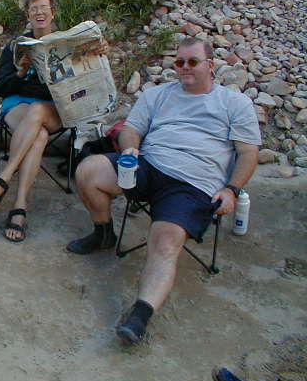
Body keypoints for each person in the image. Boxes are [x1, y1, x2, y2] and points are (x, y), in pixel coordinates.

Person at [68, 37, 261, 344]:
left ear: (211, 65)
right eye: (179, 62)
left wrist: (232, 190)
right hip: (148, 166)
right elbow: (131, 129)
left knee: (165, 241)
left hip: (194, 185)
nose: (184, 68)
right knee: (88, 170)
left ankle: (139, 315)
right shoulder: (158, 94)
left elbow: (248, 153)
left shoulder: (234, 104)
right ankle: (103, 232)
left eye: (192, 62)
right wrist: (130, 149)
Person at [0, 0, 63, 243]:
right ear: (28, 15)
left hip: (53, 108)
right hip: (18, 103)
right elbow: (1, 88)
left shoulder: (65, 43)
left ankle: (4, 177)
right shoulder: (16, 46)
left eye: (44, 7)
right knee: (38, 136)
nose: (39, 12)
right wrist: (20, 72)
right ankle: (20, 207)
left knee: (38, 110)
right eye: (33, 9)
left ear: (53, 12)